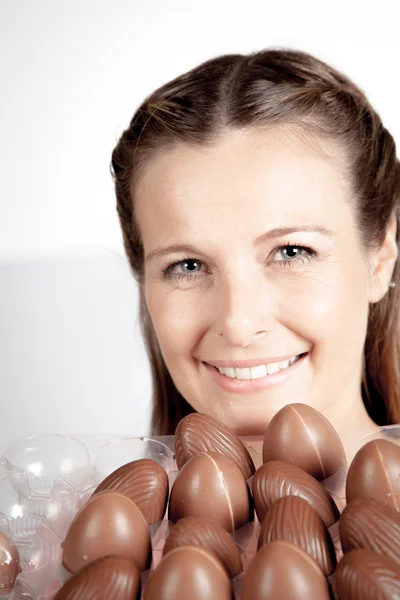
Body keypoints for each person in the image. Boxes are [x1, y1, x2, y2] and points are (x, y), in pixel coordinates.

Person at [110, 48, 400, 454]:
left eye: (292, 252)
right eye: (188, 265)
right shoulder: (65, 514)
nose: (239, 323)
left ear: (381, 258)